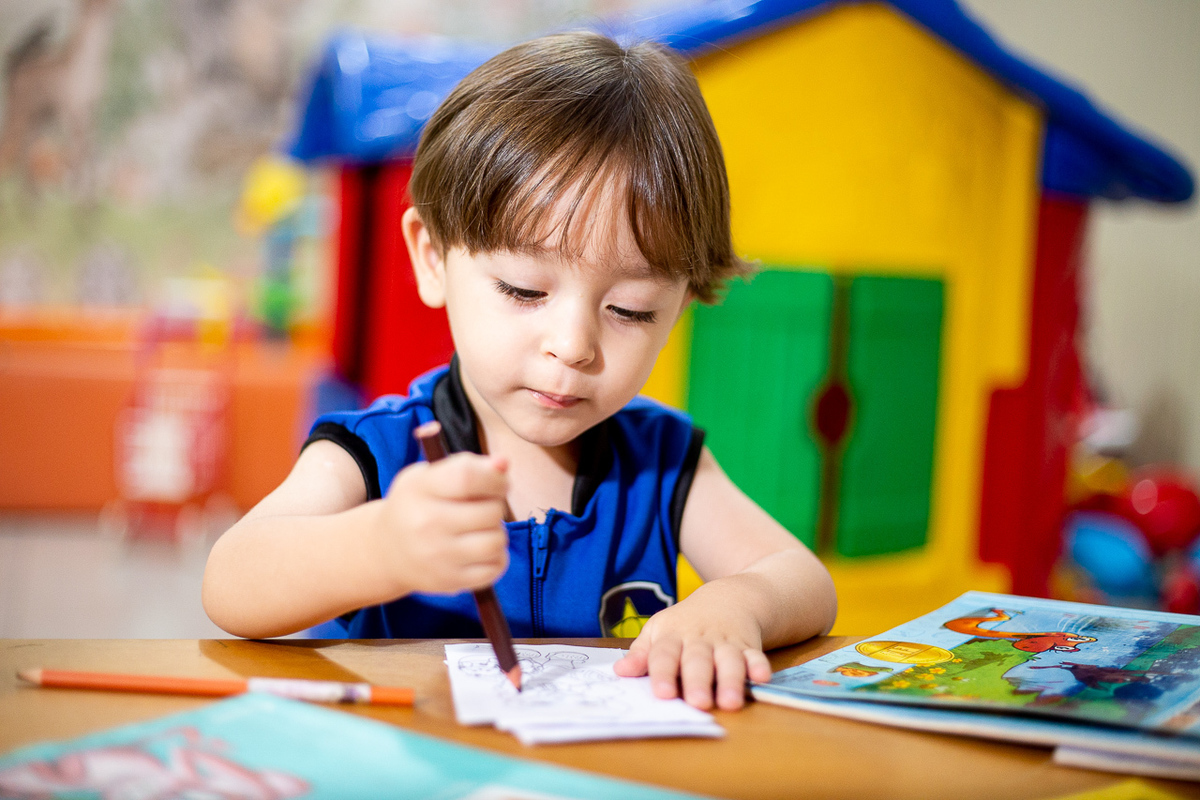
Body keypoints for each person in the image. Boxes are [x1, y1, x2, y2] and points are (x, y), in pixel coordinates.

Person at [203, 31, 836, 711]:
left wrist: (737, 603)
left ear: (680, 304)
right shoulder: (372, 455)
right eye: (524, 291)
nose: (572, 346)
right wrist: (382, 545)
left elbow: (803, 580)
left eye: (629, 309)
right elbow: (230, 582)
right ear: (433, 258)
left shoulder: (661, 462)